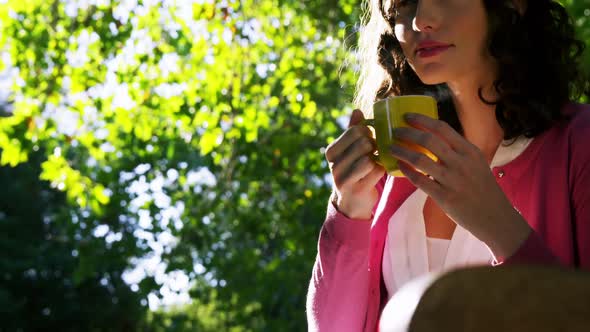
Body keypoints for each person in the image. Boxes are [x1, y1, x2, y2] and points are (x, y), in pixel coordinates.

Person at [306, 0, 590, 331]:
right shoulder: (394, 166)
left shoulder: (579, 143)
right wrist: (348, 211)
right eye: (404, 2)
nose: (420, 20)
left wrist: (500, 226)